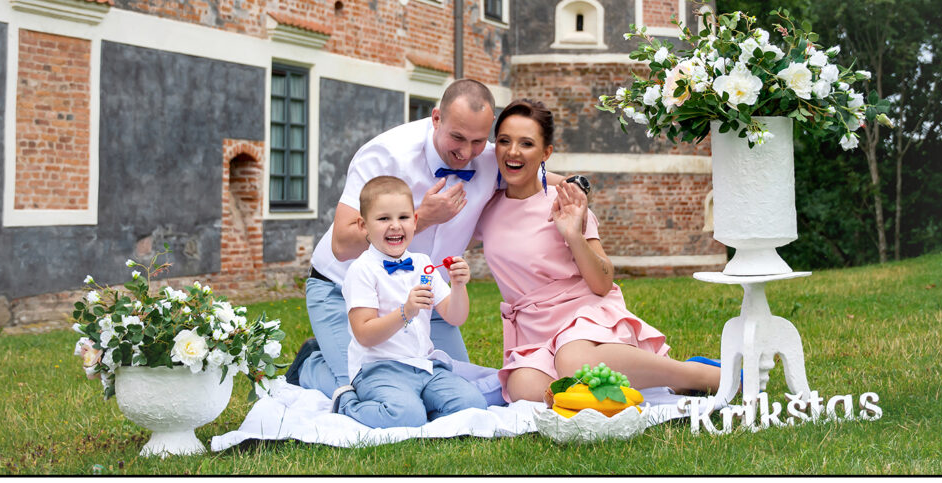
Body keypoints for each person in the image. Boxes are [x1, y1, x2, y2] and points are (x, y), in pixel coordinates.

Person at [473, 98, 722, 403]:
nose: (513, 151)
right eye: (504, 141)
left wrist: (573, 235)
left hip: (582, 317)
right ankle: (626, 388)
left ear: (546, 152)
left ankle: (696, 376)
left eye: (526, 143)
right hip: (532, 331)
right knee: (523, 389)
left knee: (573, 362)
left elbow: (603, 283)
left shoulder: (567, 204)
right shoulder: (486, 209)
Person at [291, 79, 501, 400]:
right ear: (436, 118)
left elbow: (532, 175)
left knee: (454, 388)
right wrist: (423, 217)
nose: (466, 152)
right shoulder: (386, 154)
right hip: (343, 288)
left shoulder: (488, 157)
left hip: (425, 293)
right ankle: (310, 364)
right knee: (362, 389)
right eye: (457, 138)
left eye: (478, 141)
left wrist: (573, 183)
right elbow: (342, 244)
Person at [332, 176, 487, 426]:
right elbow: (364, 334)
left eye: (403, 217)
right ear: (364, 225)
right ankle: (347, 402)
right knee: (406, 416)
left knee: (472, 403)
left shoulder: (423, 264)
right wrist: (405, 311)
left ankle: (420, 406)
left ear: (414, 221)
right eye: (384, 219)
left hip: (424, 366)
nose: (395, 226)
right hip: (378, 369)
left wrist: (458, 286)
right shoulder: (362, 270)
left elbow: (455, 316)